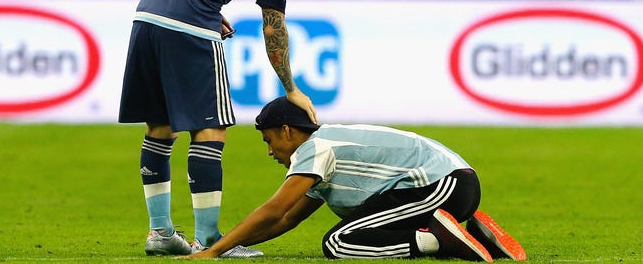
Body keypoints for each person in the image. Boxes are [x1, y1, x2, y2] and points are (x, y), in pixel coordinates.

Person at [118, 0, 337, 257]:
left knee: (159, 127)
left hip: (147, 19)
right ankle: (209, 240)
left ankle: (160, 232)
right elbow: (273, 27)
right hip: (191, 29)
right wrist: (291, 88)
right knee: (210, 129)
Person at [188, 97, 527, 261]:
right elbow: (289, 218)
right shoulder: (325, 152)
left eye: (269, 140)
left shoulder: (315, 148)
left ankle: (440, 241)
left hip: (442, 185)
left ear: (287, 131)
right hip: (453, 185)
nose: (270, 151)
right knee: (354, 230)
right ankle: (475, 234)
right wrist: (232, 248)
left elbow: (275, 209)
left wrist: (214, 251)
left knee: (338, 242)